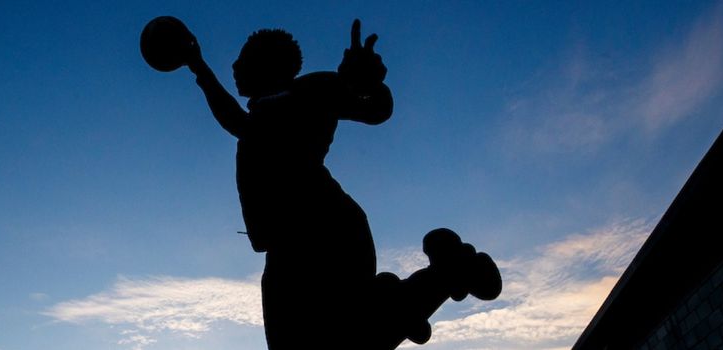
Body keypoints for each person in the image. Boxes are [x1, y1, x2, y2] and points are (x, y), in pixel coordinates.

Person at [182, 20, 499, 349]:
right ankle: (422, 290)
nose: (234, 65)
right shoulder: (263, 114)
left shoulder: (309, 91)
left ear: (269, 66)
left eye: (244, 59)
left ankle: (428, 286)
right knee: (326, 337)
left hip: (324, 232)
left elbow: (376, 109)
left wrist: (368, 82)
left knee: (328, 337)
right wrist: (198, 66)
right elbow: (236, 120)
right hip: (289, 242)